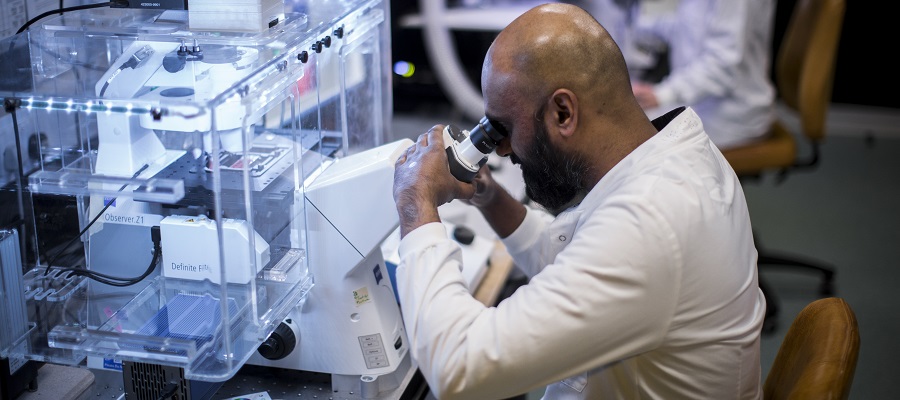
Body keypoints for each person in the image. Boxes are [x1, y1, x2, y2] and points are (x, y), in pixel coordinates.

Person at [392, 3, 765, 399]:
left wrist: (416, 203)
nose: (500, 151)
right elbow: (573, 263)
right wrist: (489, 196)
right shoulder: (676, 154)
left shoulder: (650, 220)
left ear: (563, 112)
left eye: (504, 127)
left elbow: (458, 368)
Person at [581, 0, 777, 150]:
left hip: (729, 114)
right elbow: (689, 29)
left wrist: (662, 94)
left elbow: (724, 65)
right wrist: (633, 24)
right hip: (699, 102)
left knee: (616, 135)